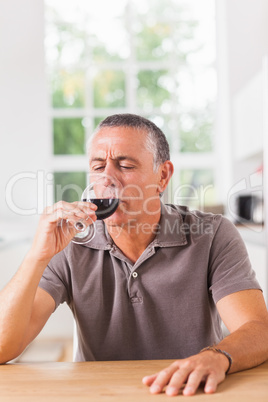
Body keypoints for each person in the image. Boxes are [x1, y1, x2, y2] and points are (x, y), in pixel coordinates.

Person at [0, 113, 268, 397]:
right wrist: (36, 257)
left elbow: (259, 330)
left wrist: (216, 357)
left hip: (190, 391)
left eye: (125, 165)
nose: (108, 179)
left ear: (162, 176)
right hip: (100, 394)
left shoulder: (212, 234)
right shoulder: (70, 243)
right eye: (98, 166)